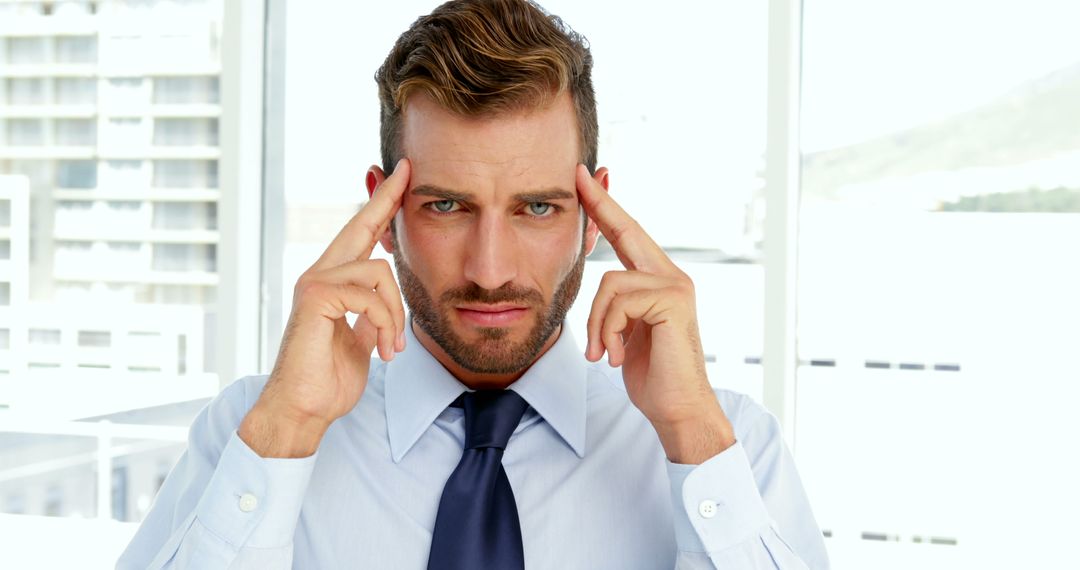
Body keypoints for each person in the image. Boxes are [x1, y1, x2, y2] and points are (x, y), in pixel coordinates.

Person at [117, 0, 829, 568]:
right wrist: (286, 430)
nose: (491, 272)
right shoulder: (255, 431)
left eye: (538, 207)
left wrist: (692, 434)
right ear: (385, 210)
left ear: (594, 214)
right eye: (448, 206)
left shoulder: (728, 448)